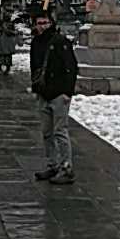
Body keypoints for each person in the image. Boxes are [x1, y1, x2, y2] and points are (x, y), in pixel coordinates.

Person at [30, 11, 78, 185]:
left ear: (51, 23)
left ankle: (66, 167)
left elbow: (71, 67)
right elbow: (34, 66)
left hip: (58, 93)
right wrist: (36, 87)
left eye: (45, 22)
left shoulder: (60, 41)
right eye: (39, 23)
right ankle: (53, 164)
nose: (42, 26)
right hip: (43, 93)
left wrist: (67, 92)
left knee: (60, 131)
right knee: (47, 132)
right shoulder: (36, 42)